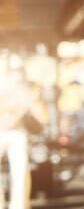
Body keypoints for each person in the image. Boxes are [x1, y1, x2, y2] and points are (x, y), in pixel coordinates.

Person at [0, 67, 48, 209]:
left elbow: (44, 117)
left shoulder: (27, 94)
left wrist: (34, 100)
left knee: (20, 169)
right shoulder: (3, 92)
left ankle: (19, 205)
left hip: (17, 133)